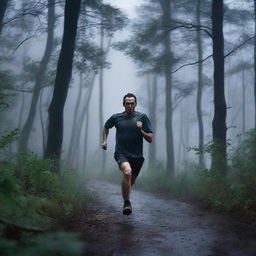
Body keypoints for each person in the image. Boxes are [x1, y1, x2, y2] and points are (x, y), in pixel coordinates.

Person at [101, 93, 153, 215]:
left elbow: (150, 138)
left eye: (132, 103)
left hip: (137, 156)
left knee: (129, 182)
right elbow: (106, 127)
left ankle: (126, 197)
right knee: (127, 172)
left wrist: (141, 130)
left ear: (135, 104)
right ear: (124, 104)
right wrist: (105, 140)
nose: (129, 105)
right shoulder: (116, 117)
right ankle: (127, 203)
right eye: (127, 103)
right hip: (121, 152)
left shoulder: (142, 117)